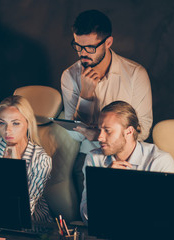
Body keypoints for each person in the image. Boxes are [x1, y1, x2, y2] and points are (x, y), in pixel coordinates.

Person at [61, 9, 153, 200]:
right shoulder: (69, 76)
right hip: (89, 157)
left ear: (108, 42)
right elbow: (74, 135)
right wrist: (86, 96)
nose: (82, 53)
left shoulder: (136, 74)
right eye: (77, 46)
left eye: (90, 48)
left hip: (130, 158)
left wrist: (96, 134)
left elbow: (143, 130)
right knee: (93, 219)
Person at [80, 101, 174, 224]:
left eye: (107, 130)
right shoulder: (94, 158)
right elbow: (87, 217)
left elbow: (169, 217)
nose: (99, 137)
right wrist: (105, 183)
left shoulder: (159, 161)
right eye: (100, 130)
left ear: (129, 131)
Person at [0, 95, 52, 222]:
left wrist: (17, 165)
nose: (7, 130)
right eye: (2, 123)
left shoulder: (41, 160)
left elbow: (24, 209)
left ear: (28, 124)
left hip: (31, 225)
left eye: (15, 123)